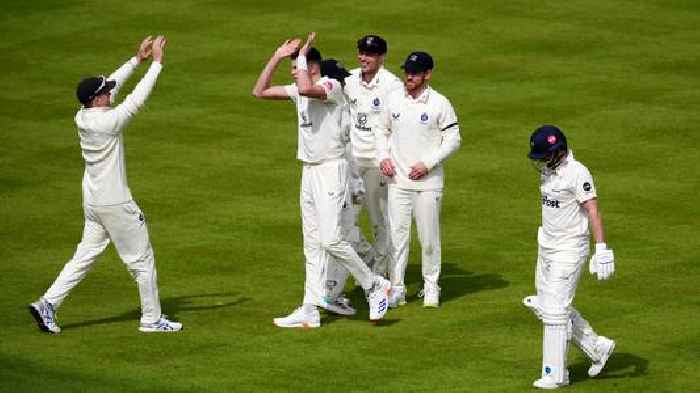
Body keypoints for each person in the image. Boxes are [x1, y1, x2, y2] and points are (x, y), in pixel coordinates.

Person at [28, 36, 182, 334]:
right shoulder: (107, 122)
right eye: (106, 92)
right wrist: (157, 64)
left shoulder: (83, 116)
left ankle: (48, 304)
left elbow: (113, 84)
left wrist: (137, 60)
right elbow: (137, 100)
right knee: (142, 261)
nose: (111, 92)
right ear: (97, 99)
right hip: (115, 203)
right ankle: (151, 320)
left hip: (94, 202)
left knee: (84, 256)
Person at [252, 32, 391, 328]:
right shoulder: (300, 87)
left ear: (312, 65)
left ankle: (374, 284)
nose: (294, 72)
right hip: (309, 170)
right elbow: (259, 92)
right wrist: (277, 56)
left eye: (297, 66)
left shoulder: (331, 86)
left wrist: (302, 54)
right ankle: (310, 310)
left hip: (332, 169)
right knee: (312, 244)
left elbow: (305, 88)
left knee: (331, 239)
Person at [523, 125, 616, 389]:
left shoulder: (578, 173)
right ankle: (596, 347)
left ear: (559, 150)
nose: (541, 161)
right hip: (547, 246)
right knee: (545, 305)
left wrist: (602, 249)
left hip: (570, 248)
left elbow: (593, 210)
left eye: (545, 155)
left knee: (554, 311)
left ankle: (555, 375)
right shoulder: (548, 170)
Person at [375, 51, 461, 308]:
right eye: (407, 71)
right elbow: (381, 130)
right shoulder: (393, 99)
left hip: (428, 183)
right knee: (398, 238)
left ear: (428, 74)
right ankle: (398, 289)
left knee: (428, 238)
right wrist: (383, 157)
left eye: (415, 72)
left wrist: (428, 164)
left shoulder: (439, 103)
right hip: (398, 181)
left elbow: (454, 139)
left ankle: (431, 287)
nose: (409, 76)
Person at [343, 34, 404, 276]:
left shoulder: (392, 85)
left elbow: (397, 126)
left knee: (380, 222)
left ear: (381, 57)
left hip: (379, 163)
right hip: (352, 162)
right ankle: (367, 259)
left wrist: (389, 157)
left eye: (369, 54)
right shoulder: (349, 79)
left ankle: (380, 275)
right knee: (344, 222)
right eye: (361, 52)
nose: (363, 57)